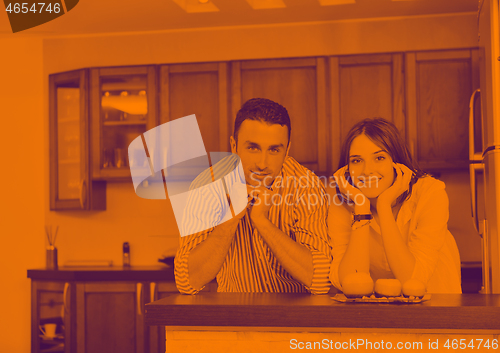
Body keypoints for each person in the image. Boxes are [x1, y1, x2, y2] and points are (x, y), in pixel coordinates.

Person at [175, 98, 331, 294]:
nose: (262, 163)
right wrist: (230, 218)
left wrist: (261, 221)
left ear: (287, 150)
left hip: (296, 319)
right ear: (234, 146)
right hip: (234, 316)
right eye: (253, 148)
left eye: (274, 150)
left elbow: (320, 280)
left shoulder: (306, 186)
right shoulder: (207, 185)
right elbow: (186, 281)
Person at [329, 118, 462, 293]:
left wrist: (383, 206)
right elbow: (351, 282)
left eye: (379, 158)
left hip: (439, 305)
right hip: (384, 314)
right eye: (356, 161)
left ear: (397, 162)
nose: (367, 170)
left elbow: (413, 281)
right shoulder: (341, 202)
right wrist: (361, 208)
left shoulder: (430, 193)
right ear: (347, 169)